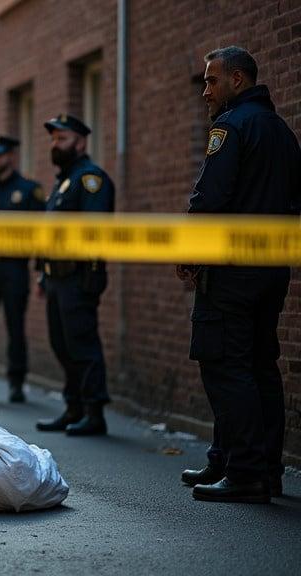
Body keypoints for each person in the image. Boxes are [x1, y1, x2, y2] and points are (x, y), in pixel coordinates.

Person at [178, 46, 300, 503]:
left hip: (231, 272)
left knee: (225, 365)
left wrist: (190, 250)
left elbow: (210, 196)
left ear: (238, 80)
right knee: (258, 365)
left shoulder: (230, 127)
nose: (205, 91)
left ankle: (245, 472)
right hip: (271, 271)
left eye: (211, 80)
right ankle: (254, 465)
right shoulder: (283, 133)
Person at [34, 114, 114, 437]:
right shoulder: (63, 181)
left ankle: (94, 412)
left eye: (62, 139)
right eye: (53, 139)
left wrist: (93, 274)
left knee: (82, 344)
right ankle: (73, 408)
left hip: (78, 278)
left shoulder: (90, 180)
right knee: (61, 343)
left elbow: (96, 232)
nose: (56, 144)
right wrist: (42, 272)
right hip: (56, 278)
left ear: (80, 142)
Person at [0, 135, 46, 403]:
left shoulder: (29, 190)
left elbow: (42, 233)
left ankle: (16, 382)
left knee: (15, 327)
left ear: (10, 156)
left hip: (14, 268)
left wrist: (42, 270)